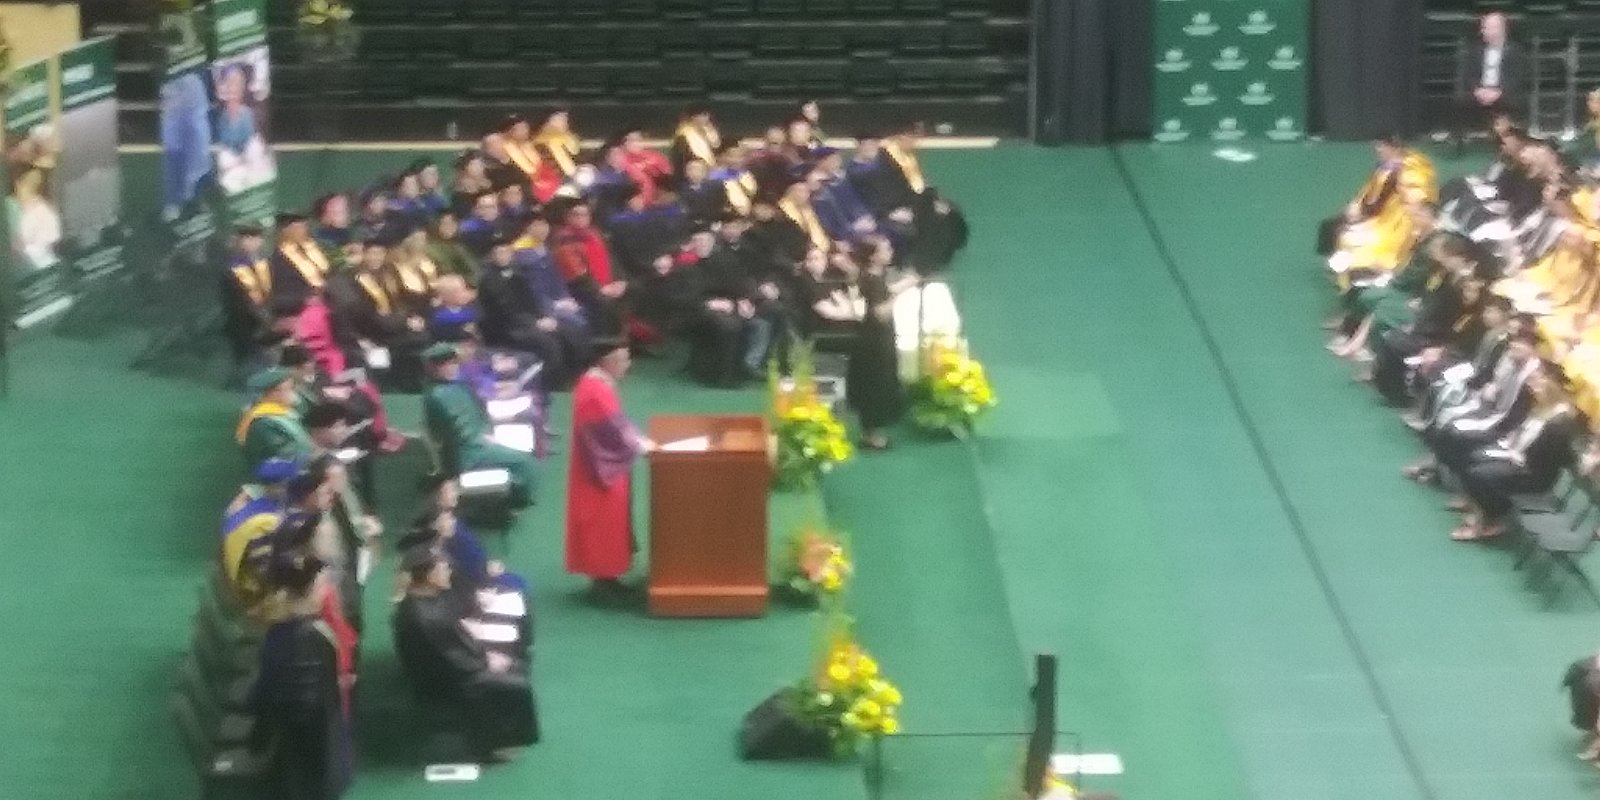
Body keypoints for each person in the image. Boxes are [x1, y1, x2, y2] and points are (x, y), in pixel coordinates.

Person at [392, 548, 538, 759]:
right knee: (514, 678)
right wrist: (487, 661)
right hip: (444, 680)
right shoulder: (425, 618)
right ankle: (496, 743)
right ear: (430, 576)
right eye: (443, 568)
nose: (449, 572)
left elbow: (449, 638)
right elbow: (453, 660)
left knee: (509, 662)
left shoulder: (420, 599)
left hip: (449, 664)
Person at [251, 552, 354, 800]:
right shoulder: (312, 637)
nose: (326, 590)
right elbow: (307, 704)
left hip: (300, 740)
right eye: (321, 584)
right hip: (307, 749)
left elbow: (261, 694)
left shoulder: (279, 633)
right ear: (310, 592)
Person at [1440, 363, 1577, 541]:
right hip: (1521, 458)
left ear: (1552, 391)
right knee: (1473, 457)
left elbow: (1545, 459)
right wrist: (1512, 446)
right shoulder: (1545, 409)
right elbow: (1526, 434)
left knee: (1480, 473)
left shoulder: (1560, 424)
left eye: (1539, 389)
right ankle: (1479, 508)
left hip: (1533, 474)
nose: (1534, 392)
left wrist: (1513, 454)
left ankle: (1490, 520)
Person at [565, 338, 654, 602]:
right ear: (607, 362)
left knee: (609, 524)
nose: (628, 365)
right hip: (598, 473)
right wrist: (642, 445)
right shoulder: (595, 391)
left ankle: (608, 579)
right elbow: (611, 431)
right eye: (623, 360)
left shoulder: (597, 384)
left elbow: (616, 425)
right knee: (602, 525)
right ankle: (603, 583)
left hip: (602, 467)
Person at [422, 343, 535, 508]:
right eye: (443, 365)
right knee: (524, 463)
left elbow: (479, 411)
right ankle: (515, 503)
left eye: (452, 363)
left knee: (524, 445)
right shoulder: (436, 397)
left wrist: (488, 432)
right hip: (468, 452)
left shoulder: (459, 385)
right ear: (432, 368)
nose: (450, 368)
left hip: (479, 439)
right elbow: (448, 436)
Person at [847, 238, 913, 450]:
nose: (890, 251)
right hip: (874, 342)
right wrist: (899, 295)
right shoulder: (870, 280)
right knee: (876, 385)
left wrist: (907, 283)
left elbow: (886, 291)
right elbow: (880, 313)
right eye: (886, 249)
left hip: (875, 339)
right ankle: (872, 436)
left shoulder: (871, 276)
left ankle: (871, 432)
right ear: (874, 256)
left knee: (876, 383)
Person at [1454, 12, 1526, 155]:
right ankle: (1459, 142)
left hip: (1503, 91)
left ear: (1502, 29)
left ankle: (1510, 142)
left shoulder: (1516, 50)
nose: (1485, 32)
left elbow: (1518, 77)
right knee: (1459, 99)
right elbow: (1468, 74)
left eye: (1489, 28)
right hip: (1480, 90)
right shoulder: (1474, 50)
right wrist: (1477, 90)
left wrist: (1499, 91)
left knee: (1513, 101)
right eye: (1484, 28)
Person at [222, 224, 279, 375]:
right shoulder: (230, 269)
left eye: (255, 238)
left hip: (271, 320)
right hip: (247, 327)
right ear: (238, 241)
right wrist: (262, 317)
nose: (252, 242)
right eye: (246, 238)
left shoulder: (265, 263)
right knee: (255, 367)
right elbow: (237, 302)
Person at [239, 368, 316, 469]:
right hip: (275, 471)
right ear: (274, 393)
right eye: (291, 388)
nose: (295, 393)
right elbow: (283, 453)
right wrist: (315, 456)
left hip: (295, 465)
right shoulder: (265, 420)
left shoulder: (286, 413)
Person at [270, 212, 333, 318]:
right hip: (303, 309)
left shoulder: (318, 247)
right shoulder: (278, 260)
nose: (302, 231)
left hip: (330, 299)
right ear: (284, 231)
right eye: (296, 228)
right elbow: (280, 296)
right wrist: (306, 299)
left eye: (303, 226)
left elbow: (331, 273)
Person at [670, 105, 722, 177]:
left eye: (706, 115)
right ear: (693, 117)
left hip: (710, 170)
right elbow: (684, 159)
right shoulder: (684, 136)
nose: (705, 118)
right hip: (692, 173)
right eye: (702, 115)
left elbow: (718, 149)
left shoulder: (708, 131)